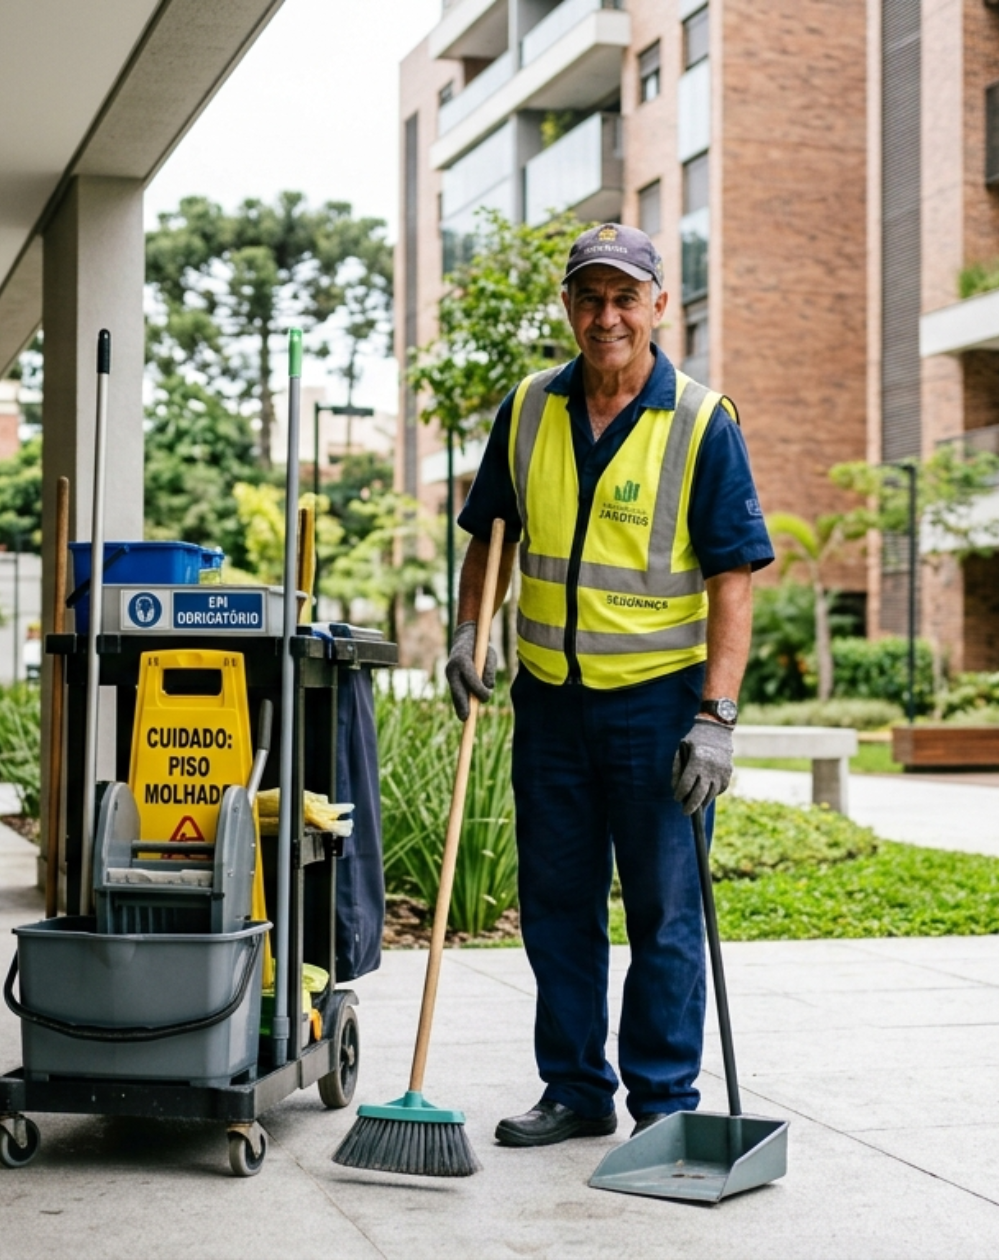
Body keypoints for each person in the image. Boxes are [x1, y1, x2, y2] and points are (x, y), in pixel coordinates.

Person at [445, 223, 774, 1146]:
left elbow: (733, 580)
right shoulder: (528, 409)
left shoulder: (703, 422)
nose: (607, 316)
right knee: (556, 906)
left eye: (625, 297)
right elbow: (490, 535)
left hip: (658, 709)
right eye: (590, 297)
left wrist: (717, 718)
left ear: (659, 306)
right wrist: (470, 629)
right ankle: (577, 1090)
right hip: (548, 701)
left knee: (665, 913)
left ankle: (664, 1105)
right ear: (568, 308)